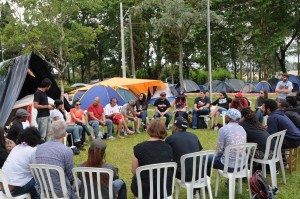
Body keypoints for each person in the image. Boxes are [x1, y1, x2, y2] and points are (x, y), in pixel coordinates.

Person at [131, 119, 173, 198]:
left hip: (144, 190)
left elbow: (134, 171)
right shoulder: (168, 147)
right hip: (164, 189)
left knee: (135, 180)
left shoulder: (139, 148)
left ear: (149, 129)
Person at [35, 120, 76, 198]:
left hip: (42, 191)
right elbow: (71, 176)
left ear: (51, 132)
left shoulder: (39, 148)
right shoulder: (66, 150)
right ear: (64, 134)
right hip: (60, 194)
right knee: (78, 183)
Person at [2, 127, 41, 199]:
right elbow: (36, 170)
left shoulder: (16, 148)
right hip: (15, 190)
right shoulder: (32, 151)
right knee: (39, 181)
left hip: (4, 187)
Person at [206, 108, 246, 176]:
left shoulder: (223, 129)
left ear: (229, 118)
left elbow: (219, 151)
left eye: (226, 116)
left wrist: (220, 155)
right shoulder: (242, 129)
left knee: (204, 159)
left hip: (228, 165)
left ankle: (205, 184)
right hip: (242, 165)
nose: (224, 117)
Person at [166, 117, 202, 181]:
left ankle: (167, 187)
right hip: (199, 172)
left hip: (183, 175)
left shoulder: (170, 139)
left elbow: (167, 156)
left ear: (175, 127)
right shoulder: (194, 136)